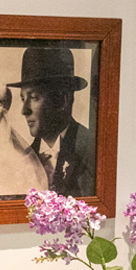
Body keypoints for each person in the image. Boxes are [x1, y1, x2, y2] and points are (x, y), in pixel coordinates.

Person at [9, 46, 95, 197]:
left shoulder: (92, 149)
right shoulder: (24, 158)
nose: (24, 110)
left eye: (34, 97)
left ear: (62, 100)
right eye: (23, 99)